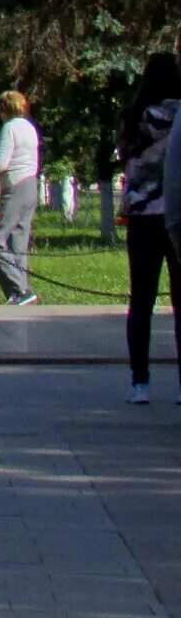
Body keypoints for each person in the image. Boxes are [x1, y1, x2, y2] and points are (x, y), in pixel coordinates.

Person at [120, 52, 181, 404]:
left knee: (141, 300)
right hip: (177, 214)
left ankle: (139, 382)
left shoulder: (135, 118)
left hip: (142, 217)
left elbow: (128, 162)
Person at [0, 91, 42, 307]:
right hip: (31, 186)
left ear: (5, 109)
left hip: (13, 186)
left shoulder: (10, 128)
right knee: (18, 241)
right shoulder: (29, 128)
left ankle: (19, 290)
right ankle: (23, 291)